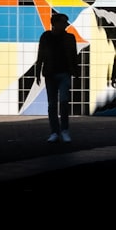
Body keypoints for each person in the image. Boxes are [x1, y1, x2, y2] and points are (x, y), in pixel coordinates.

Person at [35, 12, 79, 143]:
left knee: (63, 102)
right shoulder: (46, 37)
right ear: (55, 24)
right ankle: (55, 131)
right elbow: (40, 55)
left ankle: (64, 130)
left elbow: (74, 56)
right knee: (52, 104)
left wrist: (75, 73)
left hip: (64, 73)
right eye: (63, 22)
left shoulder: (70, 38)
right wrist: (37, 72)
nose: (66, 25)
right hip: (50, 74)